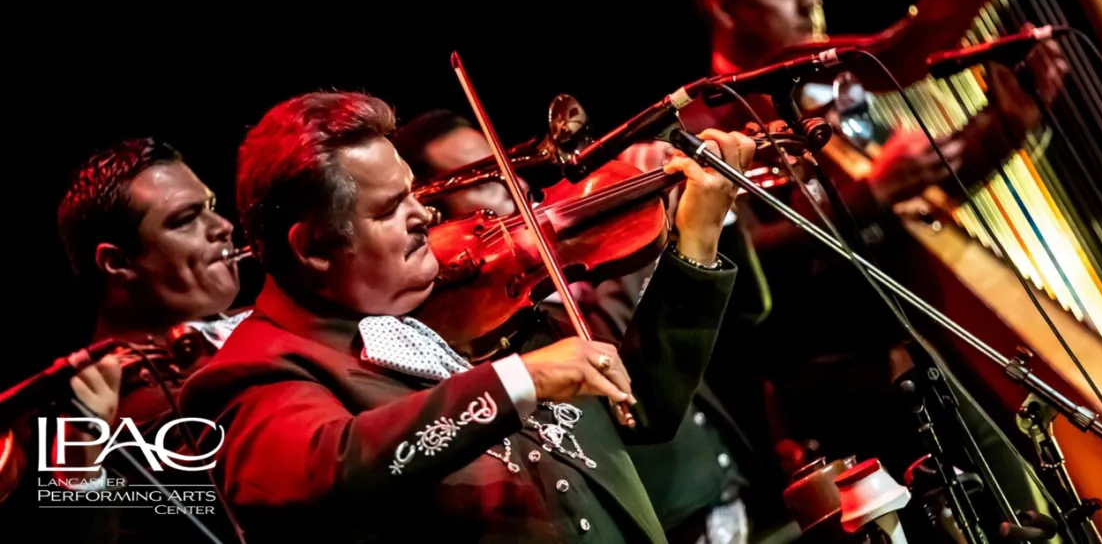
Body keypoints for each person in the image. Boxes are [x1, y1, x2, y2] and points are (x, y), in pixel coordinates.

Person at [179, 91, 755, 543]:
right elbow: (328, 470)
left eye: (411, 192)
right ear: (312, 248)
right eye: (389, 208)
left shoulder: (466, 304)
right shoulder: (258, 374)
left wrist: (696, 238)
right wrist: (518, 380)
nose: (423, 213)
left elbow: (640, 410)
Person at [683, 0, 1070, 540]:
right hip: (838, 409)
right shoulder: (706, 125)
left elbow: (917, 202)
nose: (809, 0)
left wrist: (1003, 128)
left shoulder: (825, 95)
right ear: (723, 4)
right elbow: (740, 259)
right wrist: (872, 193)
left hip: (922, 367)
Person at [395, 108, 785, 543]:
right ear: (433, 217)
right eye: (488, 178)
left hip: (735, 488)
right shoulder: (480, 331)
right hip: (665, 518)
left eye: (504, 166)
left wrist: (710, 219)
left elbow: (746, 312)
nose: (519, 185)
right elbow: (628, 390)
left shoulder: (584, 261)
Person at [0, 137, 246, 543]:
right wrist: (81, 473)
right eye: (185, 219)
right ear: (117, 262)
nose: (223, 227)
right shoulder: (107, 419)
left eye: (211, 208)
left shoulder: (265, 318)